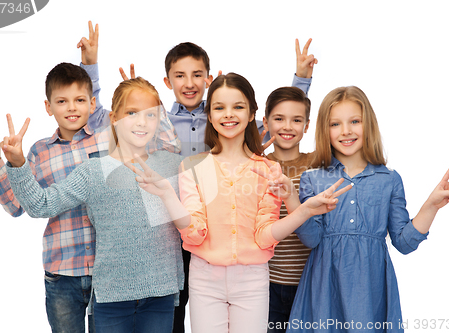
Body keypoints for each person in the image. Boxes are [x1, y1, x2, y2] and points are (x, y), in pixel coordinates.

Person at [119, 39, 318, 333]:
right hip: (198, 265)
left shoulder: (267, 170)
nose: (228, 114)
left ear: (251, 113)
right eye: (220, 108)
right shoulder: (193, 164)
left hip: (252, 277)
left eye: (238, 107)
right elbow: (195, 231)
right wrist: (165, 192)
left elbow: (285, 116)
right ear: (209, 115)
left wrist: (300, 211)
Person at [3, 77, 185, 333]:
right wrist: (18, 164)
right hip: (110, 298)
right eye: (131, 113)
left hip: (161, 295)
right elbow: (41, 205)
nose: (142, 122)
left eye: (151, 115)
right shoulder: (93, 171)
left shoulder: (172, 164)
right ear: (114, 117)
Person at [284, 86, 449, 333]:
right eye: (335, 124)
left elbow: (403, 243)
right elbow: (311, 239)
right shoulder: (312, 179)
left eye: (355, 121)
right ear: (324, 130)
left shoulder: (388, 179)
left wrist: (431, 206)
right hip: (324, 289)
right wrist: (292, 201)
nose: (346, 131)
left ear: (368, 124)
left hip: (370, 291)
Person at [0, 51, 105, 332]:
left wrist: (92, 63)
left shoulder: (107, 141)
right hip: (61, 272)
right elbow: (16, 206)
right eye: (62, 101)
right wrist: (0, 164)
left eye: (80, 100)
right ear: (49, 107)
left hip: (107, 269)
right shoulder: (38, 151)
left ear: (92, 103)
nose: (71, 108)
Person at [262, 86, 314, 332]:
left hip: (309, 282)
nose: (287, 126)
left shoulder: (316, 164)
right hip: (267, 282)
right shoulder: (257, 163)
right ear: (266, 122)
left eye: (296, 120)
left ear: (306, 125)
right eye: (279, 118)